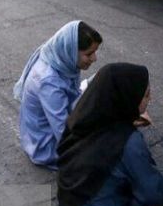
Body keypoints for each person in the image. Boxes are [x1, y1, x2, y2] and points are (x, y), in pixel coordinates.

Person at [57, 63, 163, 206]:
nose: (150, 99)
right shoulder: (128, 141)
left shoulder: (83, 116)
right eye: (145, 95)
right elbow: (153, 194)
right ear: (127, 99)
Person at [14, 21, 101, 169]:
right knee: (106, 147)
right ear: (71, 50)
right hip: (46, 144)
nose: (94, 58)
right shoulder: (48, 82)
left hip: (56, 119)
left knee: (103, 80)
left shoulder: (59, 57)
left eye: (94, 52)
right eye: (89, 54)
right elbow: (63, 133)